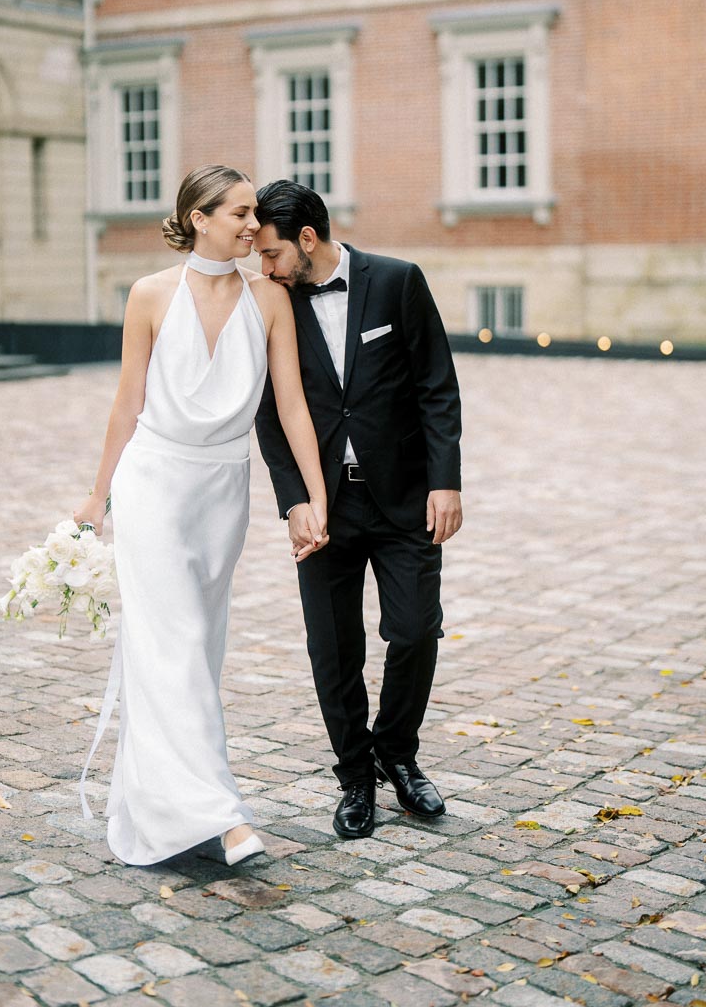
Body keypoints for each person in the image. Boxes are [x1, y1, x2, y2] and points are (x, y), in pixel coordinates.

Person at [75, 166, 328, 867]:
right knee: (174, 645)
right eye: (242, 213)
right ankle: (223, 818)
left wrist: (315, 495)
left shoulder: (270, 298)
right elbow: (127, 403)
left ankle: (162, 811)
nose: (256, 225)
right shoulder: (150, 295)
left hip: (221, 493)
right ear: (199, 218)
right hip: (154, 483)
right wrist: (98, 499)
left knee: (195, 649)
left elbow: (292, 405)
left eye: (255, 214)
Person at [254, 181, 462, 840]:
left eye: (272, 253)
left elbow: (437, 387)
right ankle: (354, 776)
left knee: (414, 629)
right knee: (333, 648)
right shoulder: (271, 303)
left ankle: (397, 753)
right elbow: (268, 415)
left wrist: (445, 481)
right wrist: (293, 501)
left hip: (404, 497)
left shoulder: (398, 282)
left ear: (308, 239)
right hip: (324, 506)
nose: (265, 267)